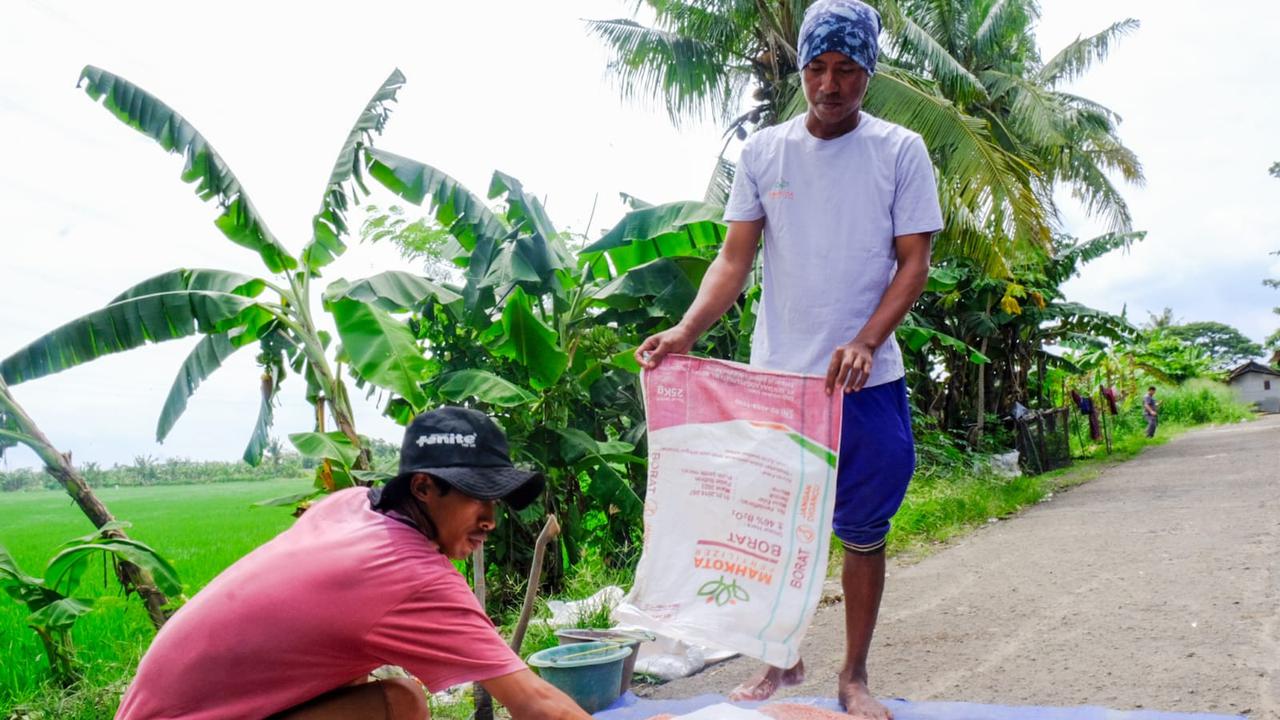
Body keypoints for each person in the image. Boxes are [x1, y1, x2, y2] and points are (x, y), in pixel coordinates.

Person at [634, 1, 942, 717]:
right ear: (799, 68)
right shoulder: (764, 153)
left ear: (870, 73)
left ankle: (853, 676)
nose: (830, 86)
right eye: (817, 68)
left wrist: (866, 341)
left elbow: (913, 263)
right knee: (769, 528)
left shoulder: (900, 151)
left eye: (847, 71)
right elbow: (733, 260)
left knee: (863, 532)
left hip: (865, 385)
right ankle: (782, 657)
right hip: (777, 383)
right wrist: (685, 332)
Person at [116, 407, 593, 720]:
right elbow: (533, 703)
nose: (491, 520)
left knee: (389, 692)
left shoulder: (352, 505)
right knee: (399, 704)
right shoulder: (411, 576)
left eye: (499, 499)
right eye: (478, 498)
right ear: (424, 488)